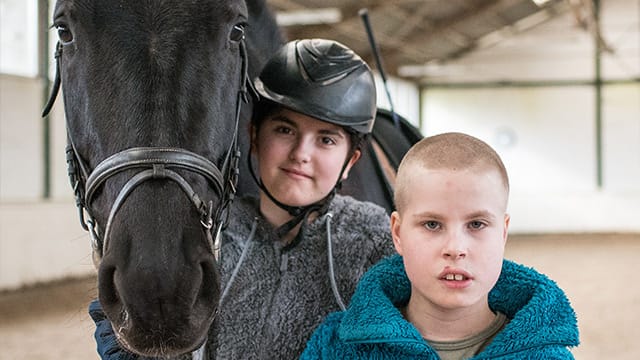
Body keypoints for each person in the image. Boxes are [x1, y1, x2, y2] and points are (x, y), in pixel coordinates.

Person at [89, 38, 396, 359]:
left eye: (326, 139)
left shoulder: (376, 245)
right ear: (253, 136)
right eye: (285, 130)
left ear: (351, 162)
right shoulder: (206, 233)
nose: (301, 154)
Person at [301, 132, 580, 359]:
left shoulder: (548, 356)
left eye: (477, 224)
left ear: (503, 233)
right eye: (432, 225)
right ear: (397, 234)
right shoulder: (336, 348)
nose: (455, 248)